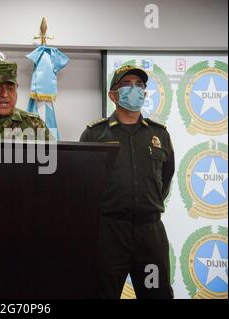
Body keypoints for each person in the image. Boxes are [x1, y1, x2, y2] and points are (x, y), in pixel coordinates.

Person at [80, 65, 175, 299]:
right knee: (102, 294)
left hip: (149, 234)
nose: (135, 89)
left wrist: (145, 204)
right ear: (113, 95)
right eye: (126, 84)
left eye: (139, 85)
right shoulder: (95, 134)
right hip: (110, 234)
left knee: (155, 294)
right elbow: (83, 185)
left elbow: (165, 178)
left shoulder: (159, 134)